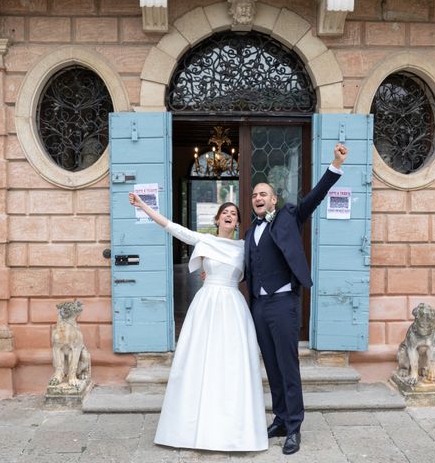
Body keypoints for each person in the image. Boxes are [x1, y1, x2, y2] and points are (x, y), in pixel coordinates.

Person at [128, 193, 268, 452]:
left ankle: (233, 429)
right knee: (199, 361)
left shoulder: (244, 246)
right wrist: (144, 206)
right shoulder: (205, 240)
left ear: (238, 222)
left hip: (233, 308)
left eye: (234, 214)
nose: (229, 216)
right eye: (225, 212)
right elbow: (172, 227)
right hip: (206, 306)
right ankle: (190, 428)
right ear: (217, 219)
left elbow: (257, 269)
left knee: (231, 364)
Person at [245, 143, 348, 455]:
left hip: (283, 303)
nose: (258, 198)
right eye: (254, 196)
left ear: (274, 199)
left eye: (263, 194)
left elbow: (314, 198)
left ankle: (294, 427)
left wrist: (335, 164)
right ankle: (279, 417)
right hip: (259, 307)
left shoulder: (290, 216)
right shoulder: (251, 231)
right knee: (272, 367)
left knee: (288, 366)